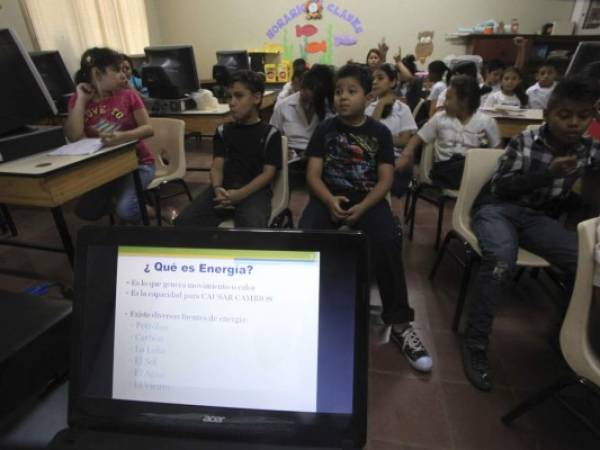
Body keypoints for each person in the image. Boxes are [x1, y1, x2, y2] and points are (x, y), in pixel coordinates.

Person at [462, 77, 600, 392]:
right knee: (500, 261)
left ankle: (565, 335)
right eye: (565, 115)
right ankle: (475, 342)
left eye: (583, 116)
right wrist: (548, 174)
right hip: (497, 209)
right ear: (548, 113)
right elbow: (502, 186)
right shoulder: (528, 140)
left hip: (536, 219)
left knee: (585, 262)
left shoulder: (588, 148)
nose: (574, 123)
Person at [299, 64, 432, 373]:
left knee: (387, 241)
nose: (342, 98)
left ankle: (400, 323)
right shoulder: (325, 130)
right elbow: (313, 174)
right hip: (328, 196)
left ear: (368, 95)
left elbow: (385, 179)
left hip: (368, 200)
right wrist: (330, 199)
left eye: (351, 91)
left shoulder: (379, 133)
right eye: (338, 92)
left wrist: (364, 206)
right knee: (306, 237)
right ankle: (306, 313)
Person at [175, 70, 282, 228]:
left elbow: (268, 174)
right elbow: (217, 166)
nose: (231, 102)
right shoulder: (223, 131)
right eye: (229, 97)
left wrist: (239, 195)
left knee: (252, 227)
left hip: (253, 192)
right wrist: (218, 188)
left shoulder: (270, 134)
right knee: (184, 222)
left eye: (238, 96)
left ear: (257, 98)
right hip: (223, 189)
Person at [64, 47, 154, 224]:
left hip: (138, 164)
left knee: (126, 211)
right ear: (98, 73)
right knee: (86, 211)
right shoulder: (78, 99)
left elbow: (148, 129)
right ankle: (134, 205)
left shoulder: (128, 95)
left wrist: (123, 137)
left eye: (123, 69)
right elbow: (74, 136)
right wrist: (81, 100)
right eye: (117, 70)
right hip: (104, 166)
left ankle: (141, 211)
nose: (123, 75)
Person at [400, 75, 500, 190]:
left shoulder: (486, 121)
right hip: (445, 169)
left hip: (472, 169)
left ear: (464, 101)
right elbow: (417, 138)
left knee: (483, 168)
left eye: (448, 98)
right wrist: (405, 155)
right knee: (470, 169)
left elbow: (497, 152)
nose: (444, 103)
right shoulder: (440, 118)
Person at [366, 63, 418, 197]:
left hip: (393, 159)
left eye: (380, 78)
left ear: (393, 82)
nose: (375, 82)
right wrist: (381, 104)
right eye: (373, 79)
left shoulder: (402, 108)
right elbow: (369, 138)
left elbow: (404, 141)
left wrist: (380, 139)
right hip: (369, 157)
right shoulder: (369, 107)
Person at [270, 64, 334, 160]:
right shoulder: (284, 106)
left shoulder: (330, 110)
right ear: (301, 89)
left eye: (313, 103)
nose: (307, 107)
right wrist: (280, 149)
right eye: (304, 100)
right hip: (292, 160)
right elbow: (271, 137)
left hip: (321, 158)